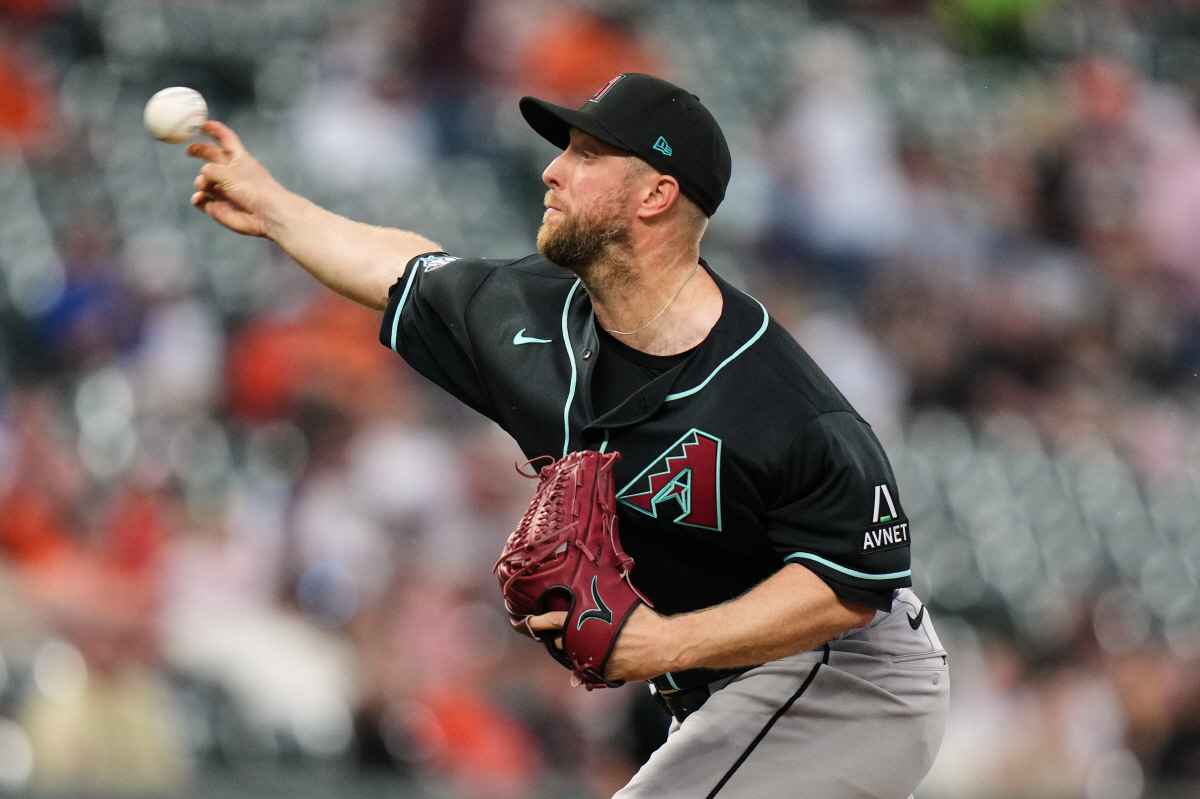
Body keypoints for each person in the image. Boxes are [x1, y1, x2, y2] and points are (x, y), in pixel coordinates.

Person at [189, 72, 949, 798]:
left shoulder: (779, 398)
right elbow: (401, 269)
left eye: (586, 156)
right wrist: (274, 207)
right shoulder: (528, 316)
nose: (553, 171)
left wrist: (663, 644)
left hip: (847, 678)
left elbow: (853, 582)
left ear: (656, 193)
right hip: (738, 696)